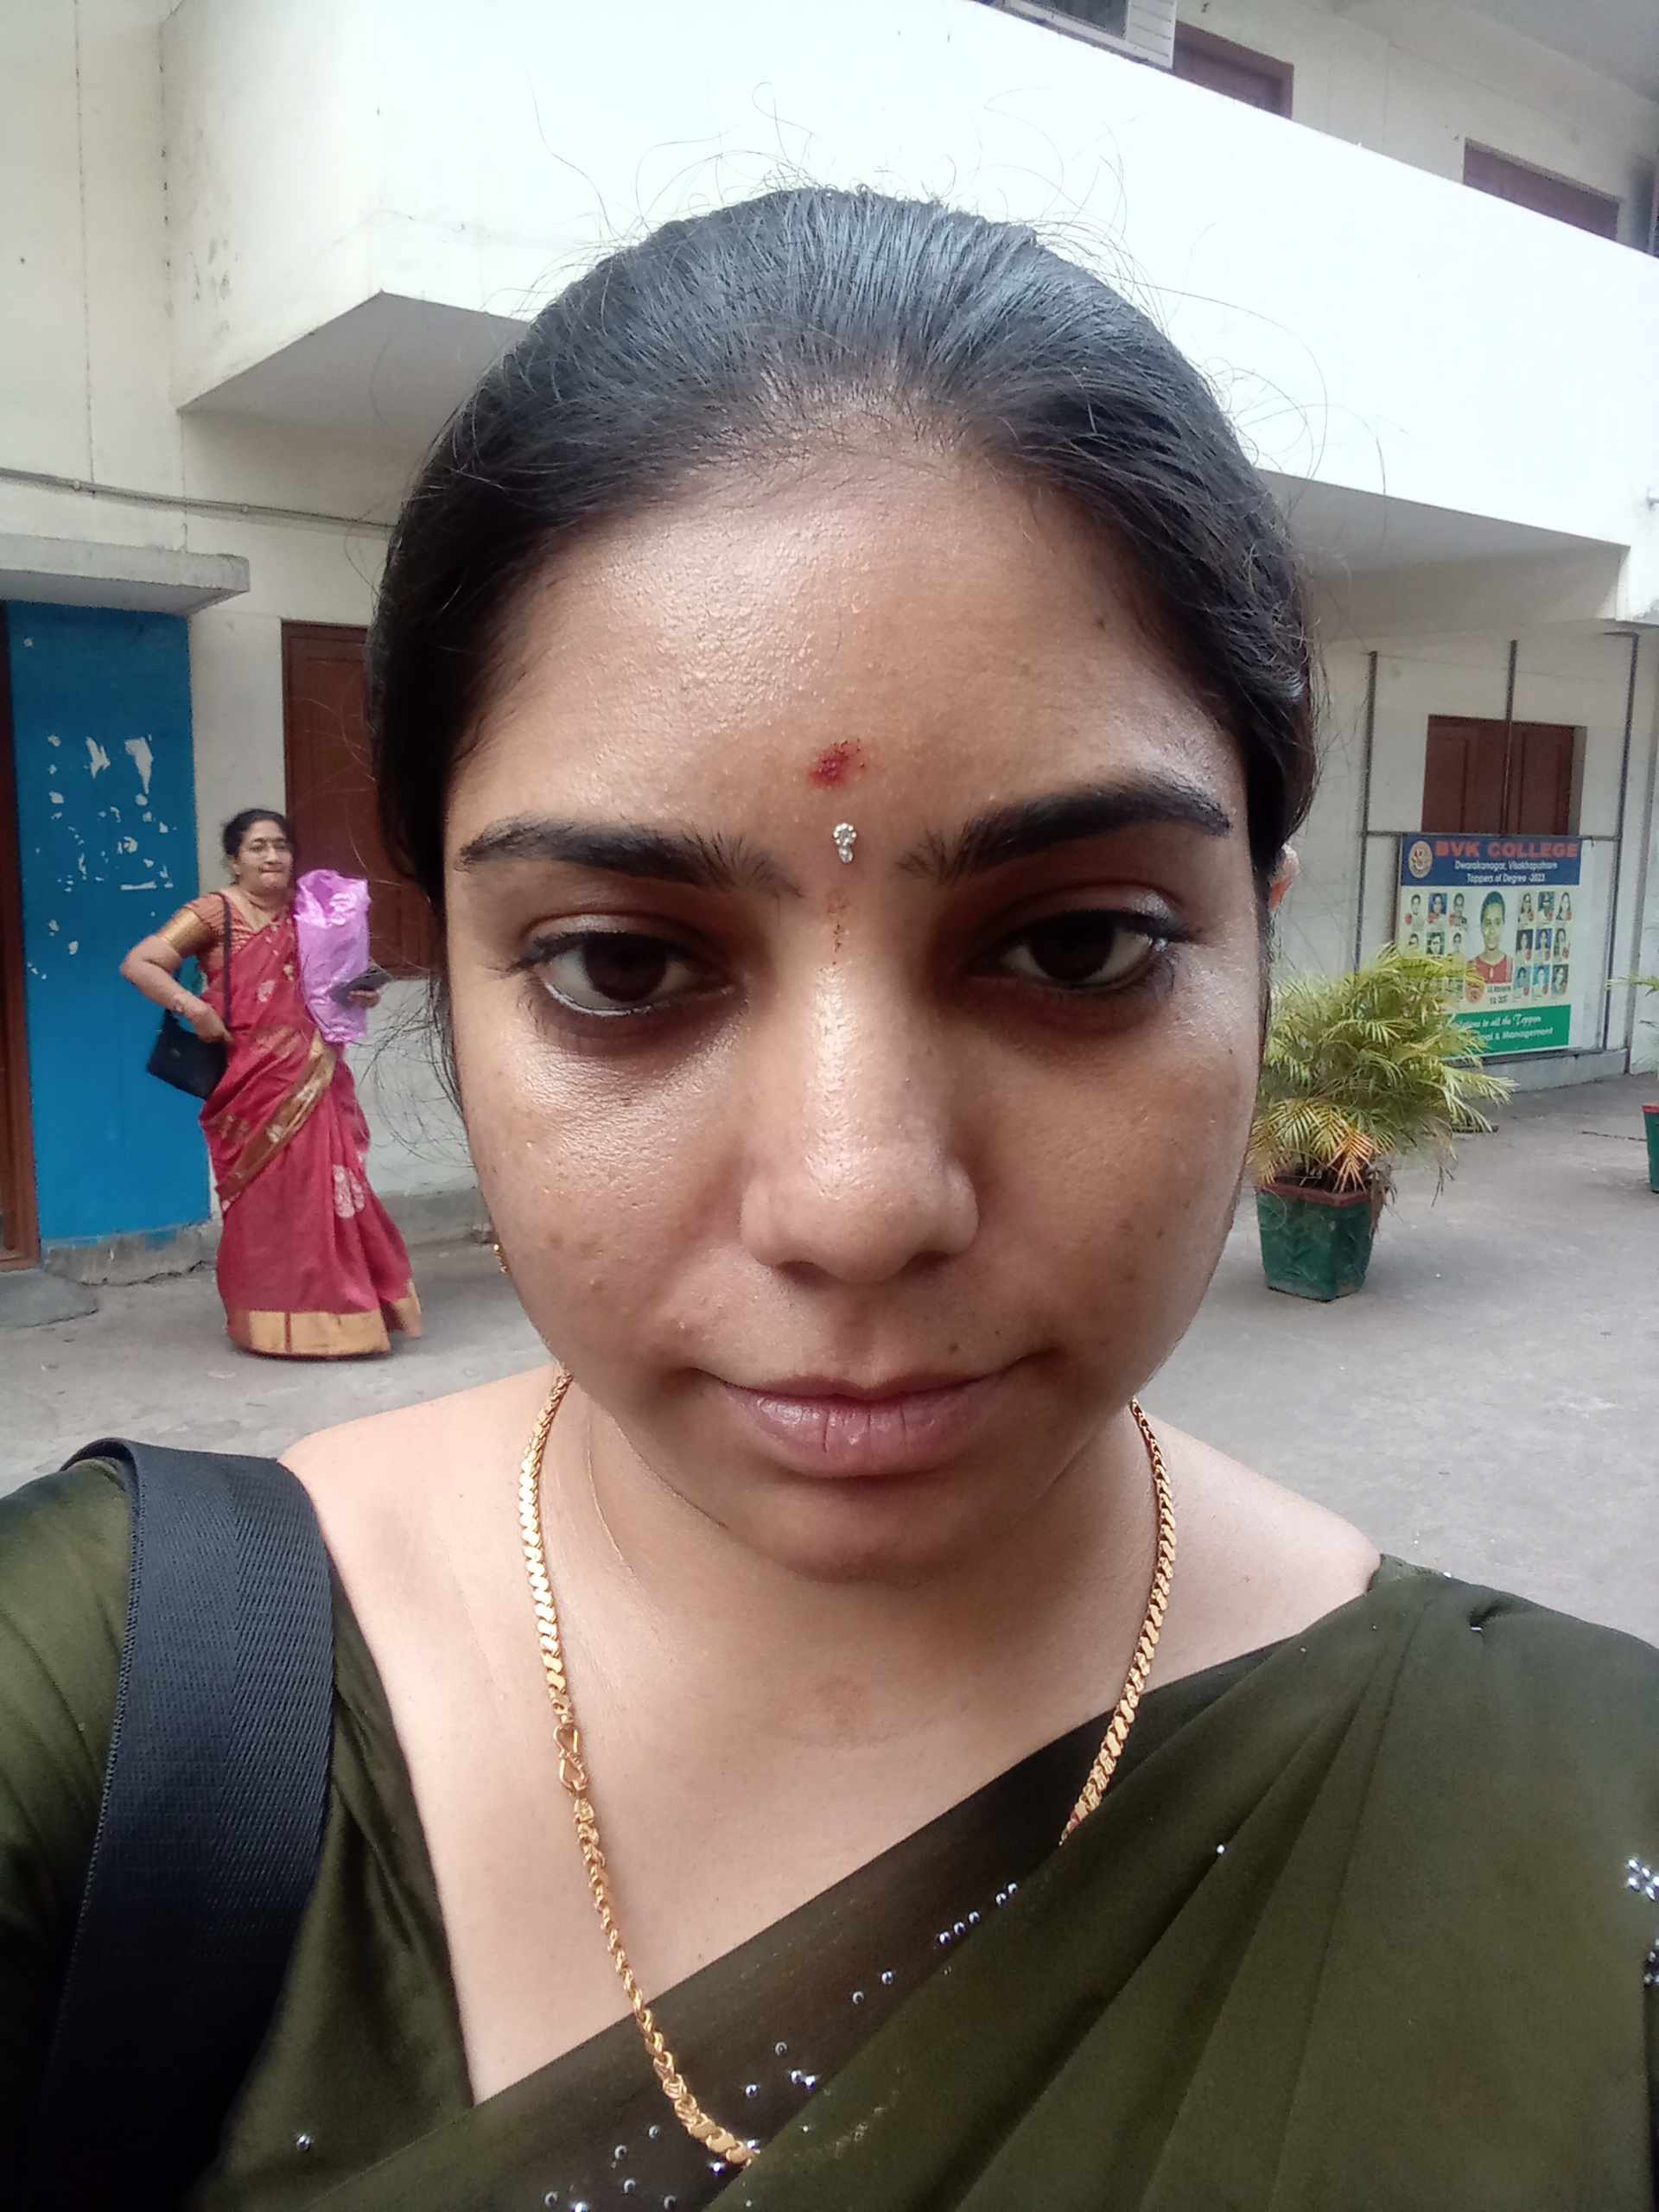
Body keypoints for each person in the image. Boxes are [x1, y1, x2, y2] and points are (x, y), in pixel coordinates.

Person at [3, 188, 1654, 2210]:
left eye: (1077, 947)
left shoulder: (1584, 1855)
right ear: (454, 974)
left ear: (1258, 939)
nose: (859, 1202)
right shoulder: (115, 1712)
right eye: (623, 963)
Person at [116, 809, 422, 1356]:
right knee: (264, 1201)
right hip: (249, 1081)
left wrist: (360, 992)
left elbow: (343, 978)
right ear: (234, 860)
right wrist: (194, 1008)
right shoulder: (211, 913)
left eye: (280, 845)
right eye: (257, 847)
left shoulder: (314, 913)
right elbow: (141, 963)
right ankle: (267, 1318)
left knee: (325, 1191)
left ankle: (346, 1315)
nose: (272, 856)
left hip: (313, 1073)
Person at [1470, 890, 1511, 988]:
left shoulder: (1513, 967)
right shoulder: (1470, 968)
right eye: (1488, 923)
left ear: (1503, 925)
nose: (1492, 930)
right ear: (1481, 926)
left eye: (1497, 923)